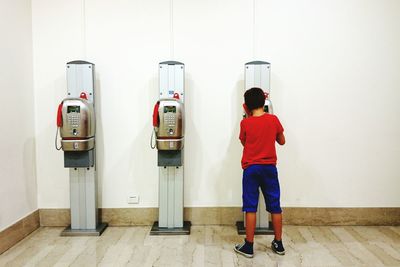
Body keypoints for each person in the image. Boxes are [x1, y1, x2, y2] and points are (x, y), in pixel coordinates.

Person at [234, 87, 286, 257]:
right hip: (269, 168)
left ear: (246, 107)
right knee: (275, 207)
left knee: (250, 207)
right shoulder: (273, 119)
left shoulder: (245, 123)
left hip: (251, 168)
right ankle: (278, 244)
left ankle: (249, 246)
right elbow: (282, 141)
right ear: (265, 103)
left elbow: (244, 142)